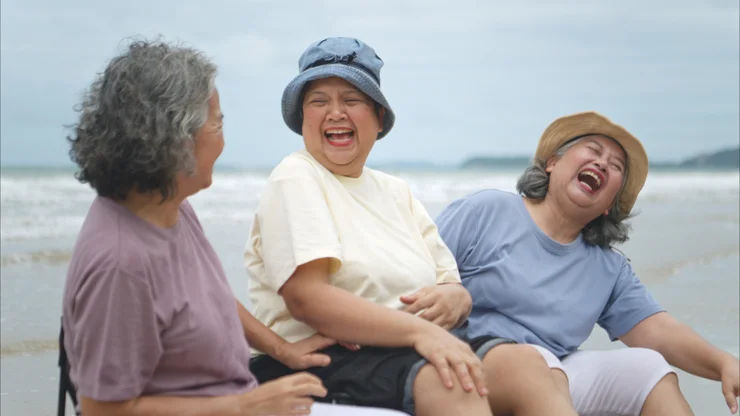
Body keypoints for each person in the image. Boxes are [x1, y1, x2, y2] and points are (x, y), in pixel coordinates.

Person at [61, 37, 403, 416]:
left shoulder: (166, 205)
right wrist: (242, 405)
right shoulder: (121, 261)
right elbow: (102, 410)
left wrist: (281, 348)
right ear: (176, 138)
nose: (224, 139)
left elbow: (209, 295)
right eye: (218, 122)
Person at [242, 36, 579, 416]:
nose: (335, 112)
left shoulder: (395, 191)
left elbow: (452, 286)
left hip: (405, 348)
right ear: (302, 118)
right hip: (323, 356)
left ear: (379, 118)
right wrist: (423, 332)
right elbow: (307, 299)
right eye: (318, 101)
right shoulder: (297, 175)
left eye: (352, 100)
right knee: (454, 383)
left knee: (526, 366)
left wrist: (457, 299)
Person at [436, 111, 740, 416]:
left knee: (648, 368)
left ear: (610, 205)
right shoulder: (486, 211)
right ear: (552, 163)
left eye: (616, 165)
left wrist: (723, 363)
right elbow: (417, 275)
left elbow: (659, 330)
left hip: (554, 376)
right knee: (533, 365)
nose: (602, 163)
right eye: (593, 150)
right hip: (467, 365)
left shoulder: (608, 268)